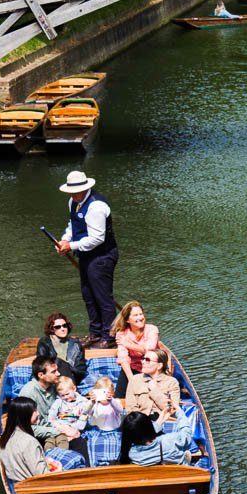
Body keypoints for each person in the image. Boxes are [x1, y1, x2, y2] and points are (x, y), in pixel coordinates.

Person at [54, 170, 119, 341]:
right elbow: (73, 225)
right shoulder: (73, 202)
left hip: (102, 256)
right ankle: (95, 333)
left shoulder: (96, 206)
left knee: (103, 297)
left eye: (74, 192)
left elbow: (97, 239)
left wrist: (71, 246)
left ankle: (109, 337)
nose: (72, 195)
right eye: (70, 192)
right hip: (85, 254)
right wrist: (64, 240)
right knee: (88, 295)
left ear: (84, 189)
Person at [0, 398, 60, 480]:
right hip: (32, 484)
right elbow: (42, 474)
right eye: (35, 411)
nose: (38, 413)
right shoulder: (29, 442)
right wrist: (59, 469)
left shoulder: (3, 437)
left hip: (16, 480)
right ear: (25, 415)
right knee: (76, 459)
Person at [109, 300, 159, 397]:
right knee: (119, 396)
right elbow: (123, 358)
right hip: (133, 367)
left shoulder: (152, 329)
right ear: (128, 320)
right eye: (135, 315)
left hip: (153, 367)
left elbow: (150, 349)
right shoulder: (122, 334)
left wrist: (128, 344)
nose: (140, 317)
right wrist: (131, 379)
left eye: (141, 314)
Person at [122, 347, 181, 426]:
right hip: (141, 423)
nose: (142, 362)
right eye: (143, 358)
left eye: (147, 360)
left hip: (166, 422)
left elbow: (172, 410)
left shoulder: (171, 382)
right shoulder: (135, 380)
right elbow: (131, 408)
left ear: (159, 366)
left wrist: (154, 390)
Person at [39, 373, 93, 457]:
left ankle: (62, 457)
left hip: (74, 429)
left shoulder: (83, 403)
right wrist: (60, 427)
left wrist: (71, 429)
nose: (65, 397)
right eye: (62, 395)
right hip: (59, 428)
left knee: (64, 442)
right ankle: (48, 457)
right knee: (49, 441)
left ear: (74, 389)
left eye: (67, 394)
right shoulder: (59, 402)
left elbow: (83, 420)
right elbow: (51, 417)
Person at [117, 411, 194, 467]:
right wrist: (179, 412)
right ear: (149, 425)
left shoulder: (131, 453)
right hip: (178, 482)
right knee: (184, 452)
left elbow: (141, 431)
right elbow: (186, 435)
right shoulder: (169, 441)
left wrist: (160, 421)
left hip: (151, 486)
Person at [36, 312, 87, 383]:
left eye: (64, 325)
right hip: (51, 376)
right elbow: (41, 364)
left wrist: (67, 368)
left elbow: (80, 369)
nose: (62, 329)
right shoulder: (44, 343)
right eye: (58, 327)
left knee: (62, 364)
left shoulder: (76, 344)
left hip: (71, 377)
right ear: (52, 329)